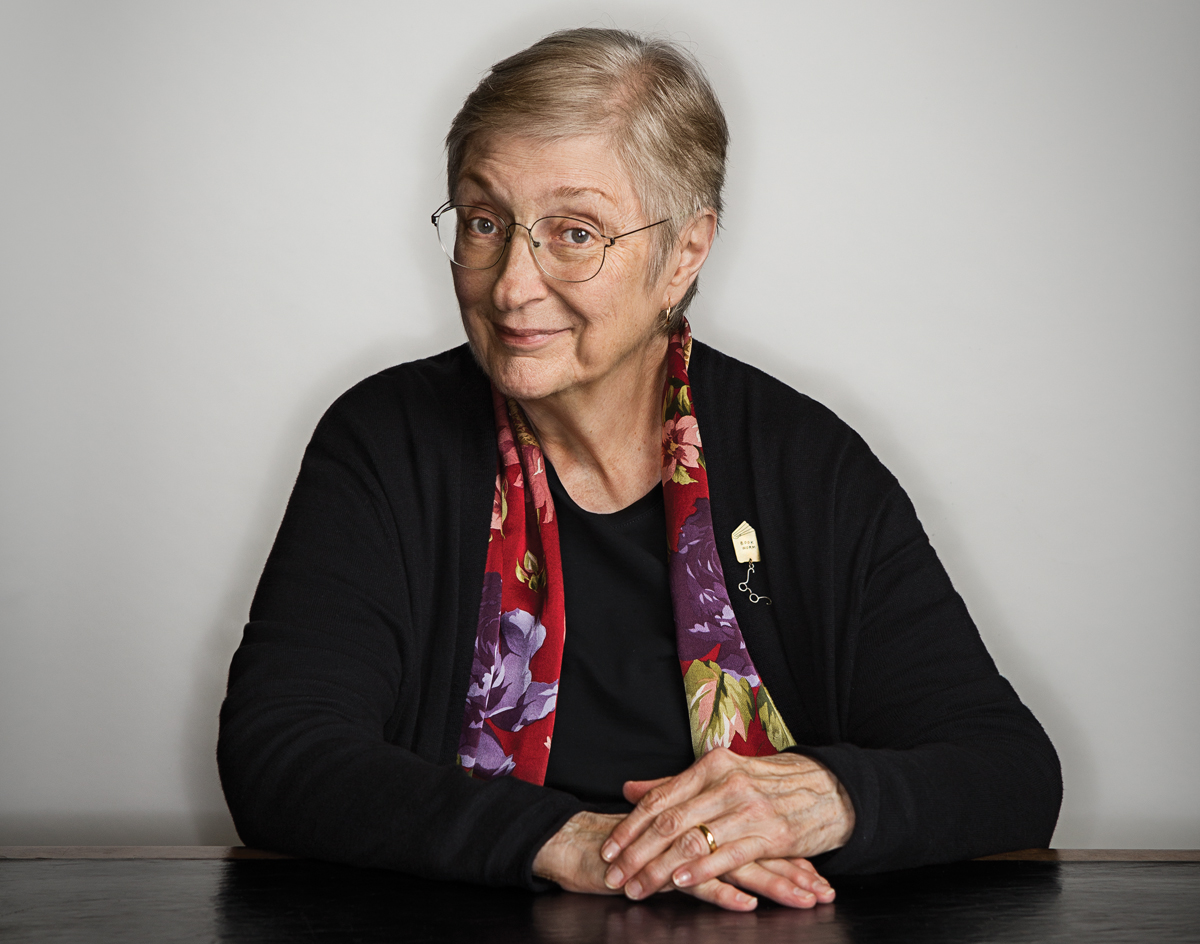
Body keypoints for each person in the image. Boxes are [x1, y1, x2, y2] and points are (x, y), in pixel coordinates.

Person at [217, 27, 1061, 912]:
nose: (510, 285)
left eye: (574, 233)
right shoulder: (384, 443)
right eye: (485, 222)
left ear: (684, 253)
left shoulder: (805, 464)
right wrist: (572, 839)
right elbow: (281, 753)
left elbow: (1008, 770)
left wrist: (826, 798)